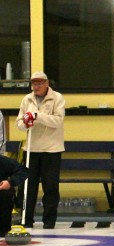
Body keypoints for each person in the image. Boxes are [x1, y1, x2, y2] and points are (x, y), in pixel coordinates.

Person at [16, 72, 65, 230]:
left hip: (52, 149)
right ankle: (26, 220)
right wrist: (26, 122)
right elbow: (19, 123)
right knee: (28, 186)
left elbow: (57, 121)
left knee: (50, 187)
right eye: (33, 84)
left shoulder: (57, 98)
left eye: (39, 83)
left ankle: (49, 221)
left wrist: (37, 116)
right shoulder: (27, 99)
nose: (35, 87)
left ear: (46, 83)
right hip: (31, 149)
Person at [0, 153, 28, 237]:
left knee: (5, 193)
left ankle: (3, 228)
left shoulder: (2, 161)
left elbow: (23, 171)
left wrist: (10, 182)